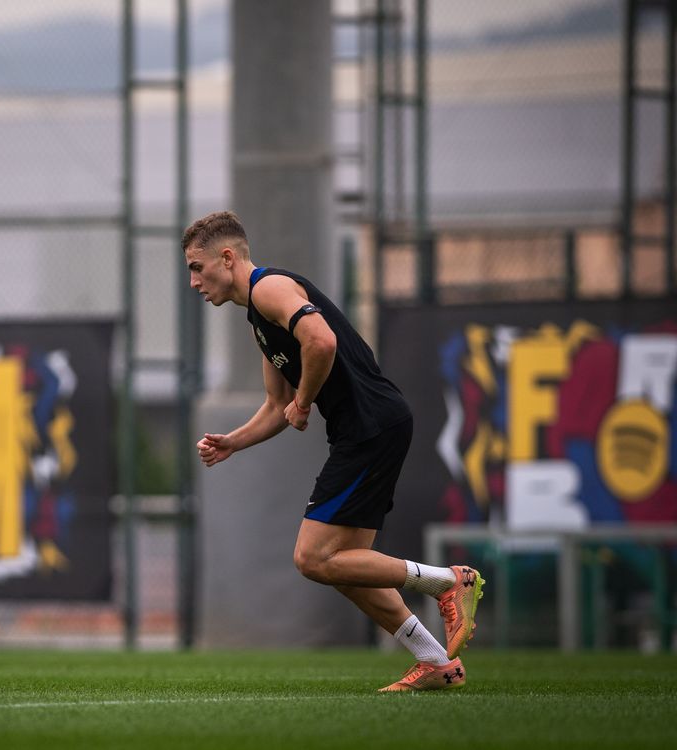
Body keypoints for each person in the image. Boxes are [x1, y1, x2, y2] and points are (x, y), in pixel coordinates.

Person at [183, 210, 483, 692]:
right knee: (345, 569)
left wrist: (304, 401)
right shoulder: (259, 318)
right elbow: (276, 405)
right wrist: (231, 442)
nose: (194, 281)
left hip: (371, 426)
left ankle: (448, 581)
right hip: (366, 428)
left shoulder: (268, 288)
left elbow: (320, 339)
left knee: (312, 558)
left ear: (227, 257)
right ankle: (435, 661)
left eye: (198, 268)